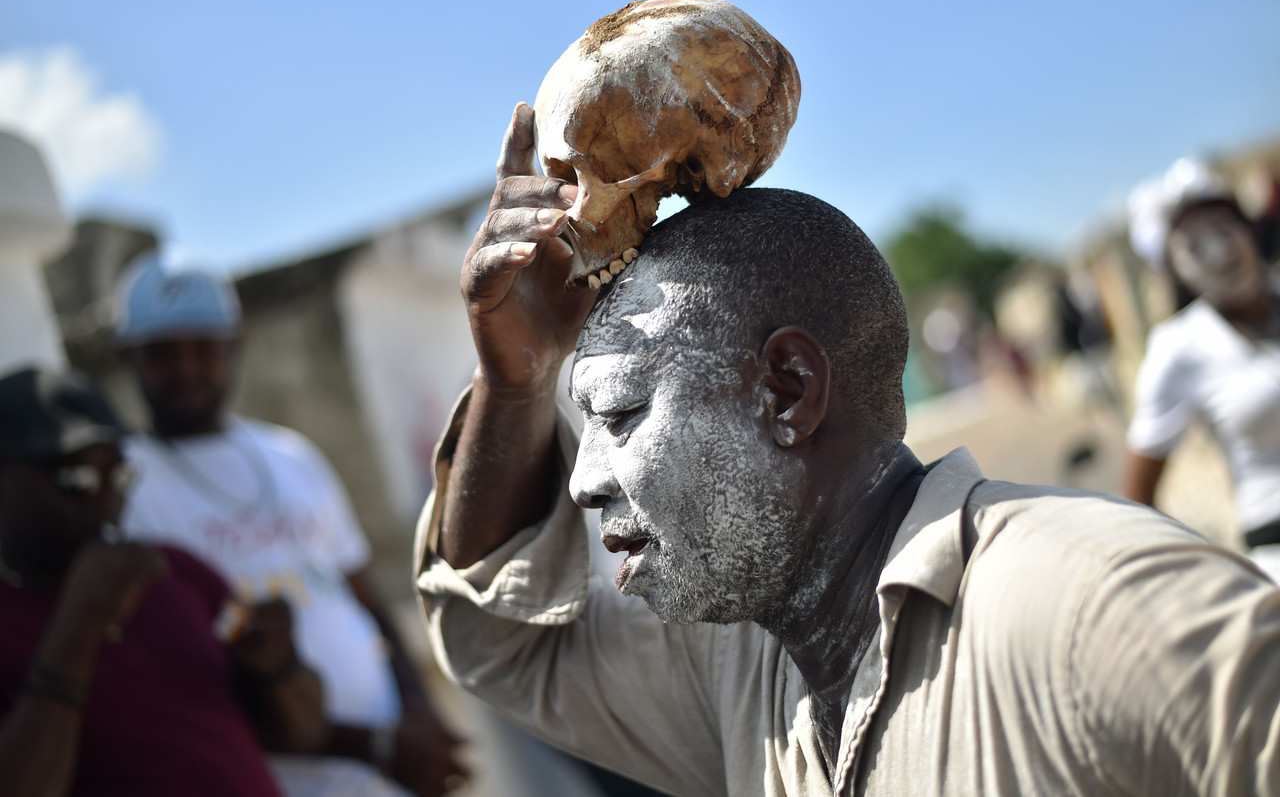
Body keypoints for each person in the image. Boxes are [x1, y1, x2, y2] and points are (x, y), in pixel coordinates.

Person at [415, 104, 1280, 796]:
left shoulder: (1089, 608)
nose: (584, 478)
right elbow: (502, 637)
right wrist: (514, 385)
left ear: (787, 390)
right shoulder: (745, 673)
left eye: (626, 415)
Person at [113, 256, 467, 796]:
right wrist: (376, 746)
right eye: (163, 353)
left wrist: (421, 716)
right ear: (129, 360)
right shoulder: (123, 488)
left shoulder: (290, 454)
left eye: (204, 347)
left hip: (392, 773)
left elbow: (365, 600)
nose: (187, 368)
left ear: (234, 346)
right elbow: (181, 682)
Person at [0, 365, 328, 797]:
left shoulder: (174, 573)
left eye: (116, 475)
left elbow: (301, 735)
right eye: (74, 479)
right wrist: (77, 627)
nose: (102, 500)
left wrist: (279, 667)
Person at [1122, 175, 1280, 581]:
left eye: (1223, 230)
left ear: (1248, 231)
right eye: (1194, 245)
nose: (1219, 253)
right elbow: (1137, 501)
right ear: (1176, 267)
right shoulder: (1179, 347)